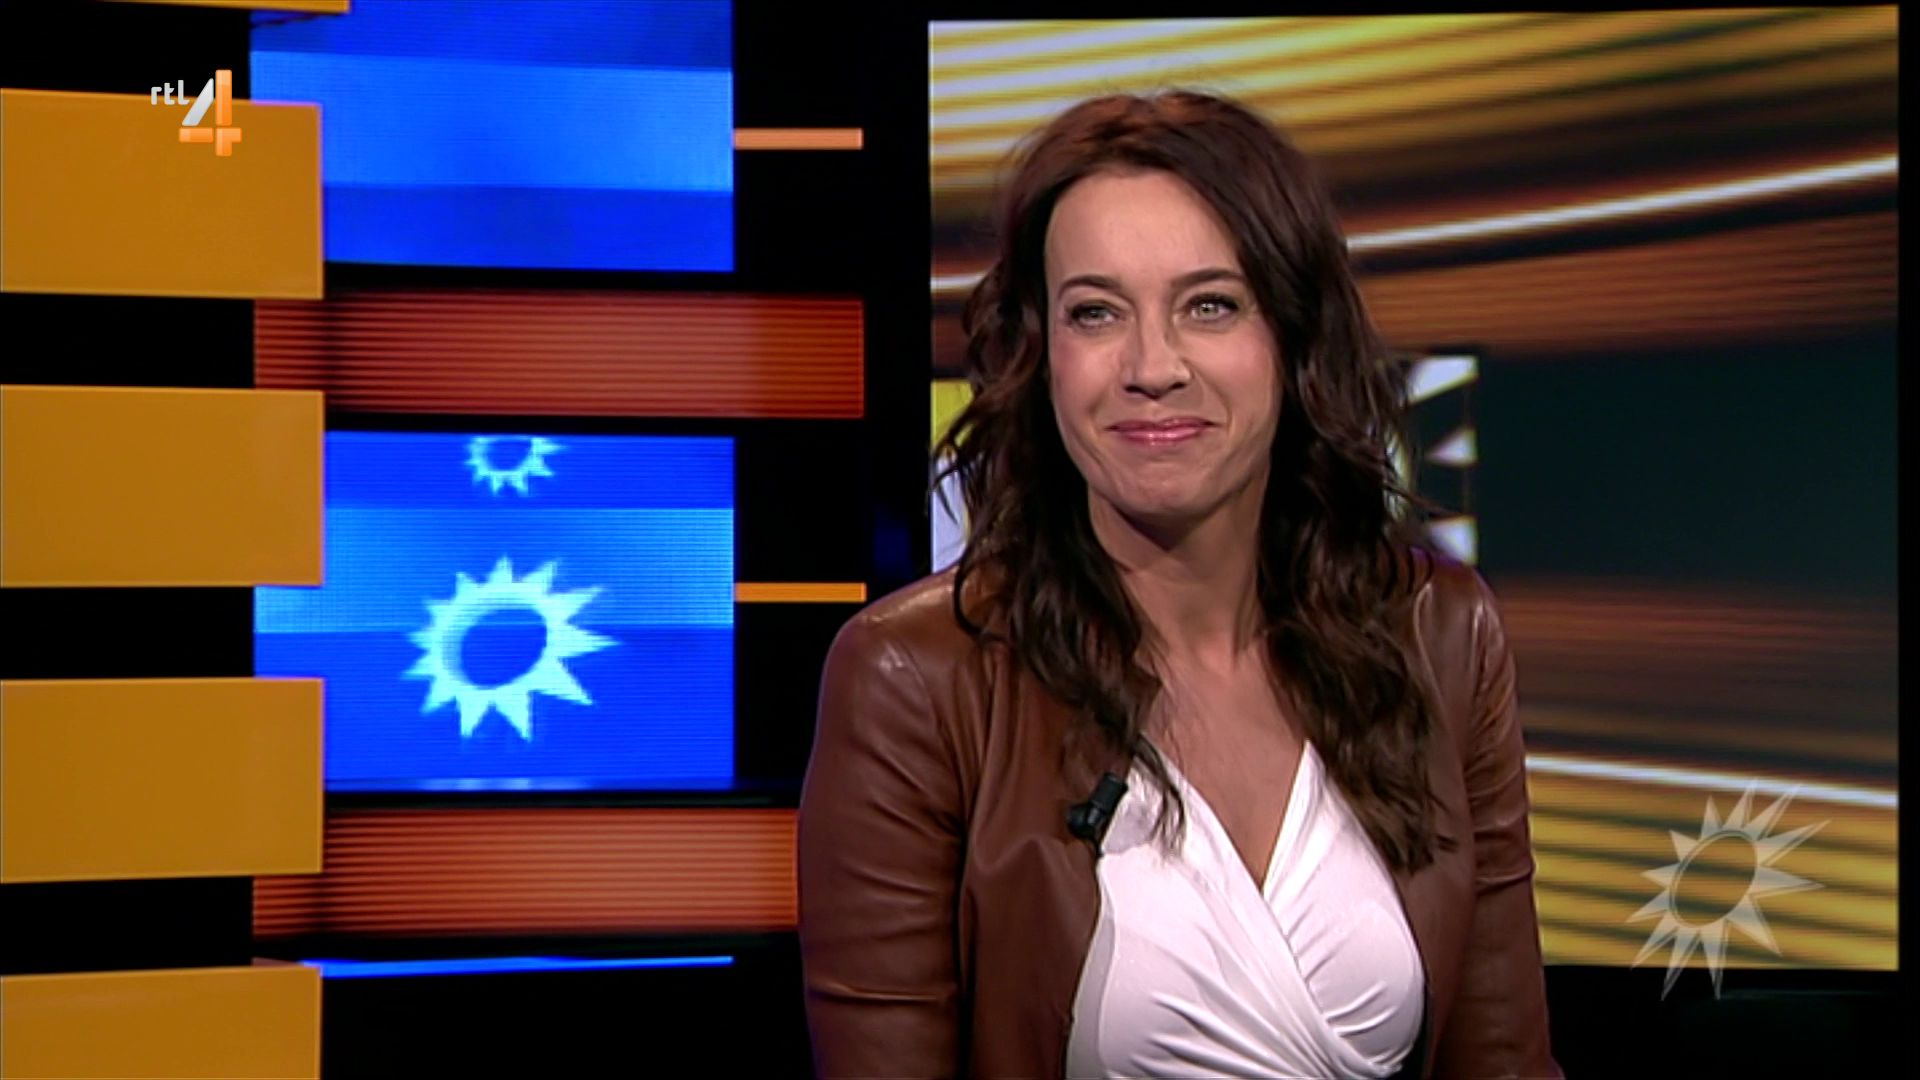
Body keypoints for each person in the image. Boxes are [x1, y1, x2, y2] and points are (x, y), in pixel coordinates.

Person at [796, 89, 1561, 1080]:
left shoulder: (1440, 636)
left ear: (1291, 337)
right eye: (1095, 313)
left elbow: (1503, 1059)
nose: (1151, 367)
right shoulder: (916, 679)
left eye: (1210, 305)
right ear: (1042, 354)